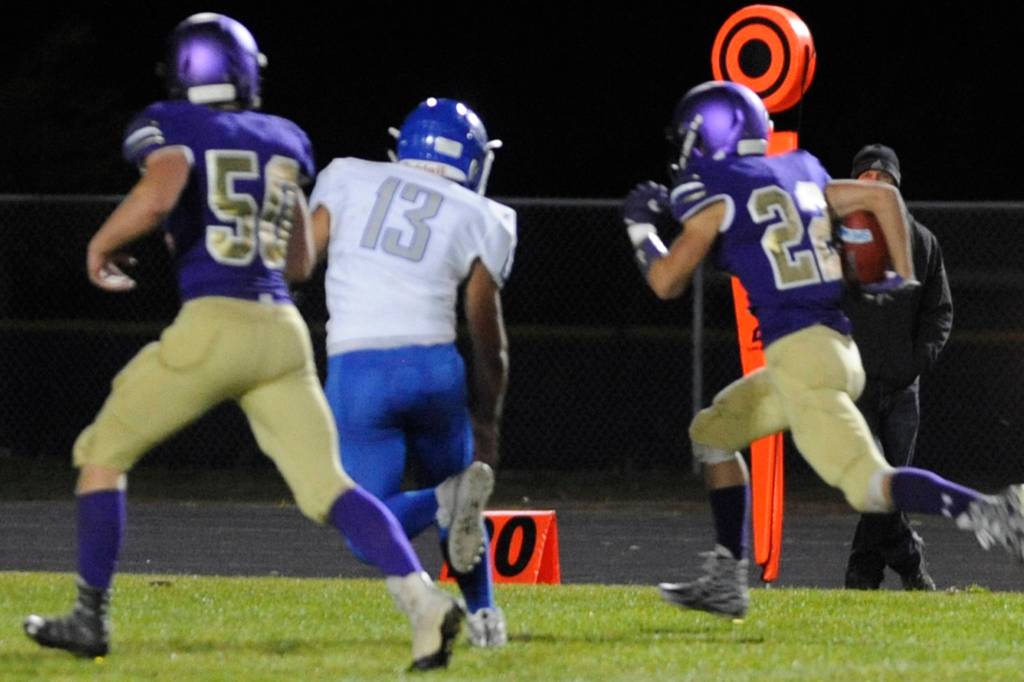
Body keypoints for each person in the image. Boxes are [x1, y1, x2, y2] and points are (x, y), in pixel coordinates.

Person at [22, 14, 467, 671]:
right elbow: (297, 264)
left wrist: (102, 243)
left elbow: (161, 188)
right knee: (328, 487)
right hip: (281, 329)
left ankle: (90, 618)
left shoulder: (172, 126)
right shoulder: (284, 139)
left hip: (214, 323)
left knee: (101, 452)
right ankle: (424, 605)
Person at [621, 80, 1024, 619]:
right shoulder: (802, 170)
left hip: (801, 360)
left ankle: (996, 511)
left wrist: (640, 227)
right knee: (713, 433)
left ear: (709, 133)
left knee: (871, 488)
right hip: (833, 347)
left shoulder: (717, 190)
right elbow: (883, 196)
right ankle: (725, 578)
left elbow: (667, 280)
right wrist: (902, 274)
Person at [308, 97, 515, 648]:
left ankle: (444, 500)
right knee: (459, 504)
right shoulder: (481, 215)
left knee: (366, 525)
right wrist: (488, 417)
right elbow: (486, 335)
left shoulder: (347, 177)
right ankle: (485, 619)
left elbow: (299, 262)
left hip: (359, 372)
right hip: (433, 368)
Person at [842, 143, 953, 591]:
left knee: (889, 489)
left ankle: (862, 574)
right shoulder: (836, 241)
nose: (876, 188)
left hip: (904, 390)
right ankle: (911, 567)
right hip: (856, 387)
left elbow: (938, 311)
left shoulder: (921, 241)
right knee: (875, 484)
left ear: (897, 189)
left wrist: (917, 361)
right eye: (867, 180)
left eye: (884, 181)